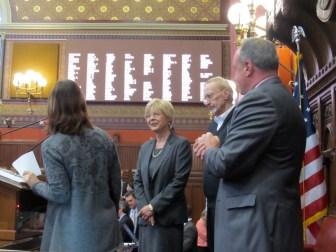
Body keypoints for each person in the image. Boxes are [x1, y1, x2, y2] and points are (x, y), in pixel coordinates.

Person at [194, 37, 306, 252]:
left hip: (256, 227)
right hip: (267, 222)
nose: (234, 78)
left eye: (235, 70)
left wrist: (209, 148)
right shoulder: (279, 96)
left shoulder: (260, 100)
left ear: (248, 67)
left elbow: (226, 163)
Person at [22, 80, 123, 252]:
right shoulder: (103, 138)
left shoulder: (53, 145)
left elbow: (60, 194)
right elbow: (115, 186)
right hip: (106, 230)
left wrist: (34, 183)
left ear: (53, 107)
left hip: (73, 234)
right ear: (81, 103)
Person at [133, 98, 192, 252]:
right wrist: (145, 208)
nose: (151, 118)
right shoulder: (145, 147)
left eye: (156, 114)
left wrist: (153, 207)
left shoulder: (181, 145)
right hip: (147, 222)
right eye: (148, 115)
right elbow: (137, 180)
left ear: (168, 118)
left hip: (168, 220)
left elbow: (179, 181)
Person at [202, 76, 235, 252]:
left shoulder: (238, 119)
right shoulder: (212, 126)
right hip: (213, 201)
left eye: (209, 96)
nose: (206, 102)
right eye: (204, 98)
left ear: (226, 93)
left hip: (230, 199)